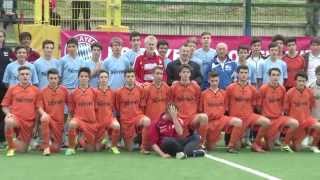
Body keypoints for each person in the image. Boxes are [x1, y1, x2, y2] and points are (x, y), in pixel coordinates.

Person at [226, 65, 271, 152]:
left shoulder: (253, 89)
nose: (243, 75)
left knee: (267, 122)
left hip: (249, 116)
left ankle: (256, 144)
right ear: (237, 74)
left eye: (246, 73)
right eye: (241, 73)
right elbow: (226, 106)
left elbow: (255, 105)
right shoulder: (230, 88)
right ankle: (232, 144)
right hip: (237, 119)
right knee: (237, 147)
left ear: (248, 74)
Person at [200, 71, 242, 153]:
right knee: (211, 148)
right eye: (212, 81)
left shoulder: (224, 93)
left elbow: (226, 109)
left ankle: (231, 146)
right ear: (208, 81)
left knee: (238, 122)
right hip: (210, 122)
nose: (214, 83)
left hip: (221, 119)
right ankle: (203, 143)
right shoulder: (203, 94)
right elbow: (201, 110)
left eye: (216, 81)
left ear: (219, 80)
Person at [1, 66, 40, 156]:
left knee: (21, 150)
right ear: (18, 76)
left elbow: (38, 110)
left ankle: (16, 141)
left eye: (27, 74)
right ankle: (11, 147)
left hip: (28, 123)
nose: (25, 76)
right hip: (16, 119)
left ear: (30, 76)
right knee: (9, 121)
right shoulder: (12, 89)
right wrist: (8, 114)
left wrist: (36, 126)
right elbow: (4, 106)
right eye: (22, 74)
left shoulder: (36, 90)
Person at [258, 67, 299, 152]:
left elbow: (283, 105)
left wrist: (280, 115)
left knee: (294, 123)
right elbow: (259, 106)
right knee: (269, 148)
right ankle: (261, 140)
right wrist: (265, 118)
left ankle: (285, 144)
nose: (275, 77)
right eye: (273, 75)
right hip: (268, 119)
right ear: (269, 76)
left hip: (279, 118)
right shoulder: (263, 89)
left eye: (277, 75)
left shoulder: (282, 89)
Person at [170, 64, 208, 147]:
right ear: (179, 74)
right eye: (183, 72)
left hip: (192, 118)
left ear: (190, 74)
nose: (185, 74)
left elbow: (199, 103)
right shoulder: (173, 87)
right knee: (179, 143)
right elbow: (170, 104)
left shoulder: (196, 87)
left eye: (188, 72)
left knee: (204, 117)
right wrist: (174, 117)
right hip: (179, 118)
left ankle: (201, 143)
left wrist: (197, 115)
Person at [115, 68, 151, 153]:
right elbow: (117, 109)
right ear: (124, 78)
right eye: (128, 76)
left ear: (135, 78)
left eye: (132, 76)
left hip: (137, 117)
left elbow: (142, 106)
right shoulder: (118, 92)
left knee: (147, 121)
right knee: (130, 149)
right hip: (126, 120)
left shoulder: (140, 90)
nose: (130, 78)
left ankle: (143, 147)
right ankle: (124, 141)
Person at [285, 71, 320, 153]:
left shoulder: (309, 92)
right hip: (295, 123)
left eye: (303, 81)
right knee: (298, 149)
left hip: (307, 121)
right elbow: (286, 110)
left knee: (319, 126)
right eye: (299, 81)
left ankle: (313, 145)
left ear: (306, 82)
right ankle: (286, 144)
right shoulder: (289, 93)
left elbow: (311, 106)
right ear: (295, 81)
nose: (301, 83)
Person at [65, 67, 97, 155]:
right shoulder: (73, 93)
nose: (83, 78)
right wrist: (69, 119)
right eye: (81, 76)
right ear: (78, 77)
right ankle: (71, 147)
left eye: (86, 76)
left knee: (90, 150)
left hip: (91, 122)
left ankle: (80, 139)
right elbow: (71, 110)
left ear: (89, 78)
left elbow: (97, 109)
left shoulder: (95, 92)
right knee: (72, 124)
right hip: (78, 119)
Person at [37, 68, 68, 155]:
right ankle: (46, 146)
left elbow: (70, 105)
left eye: (55, 78)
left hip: (59, 123)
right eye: (51, 78)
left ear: (58, 79)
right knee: (44, 119)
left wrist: (72, 116)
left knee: (55, 149)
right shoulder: (42, 91)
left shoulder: (64, 90)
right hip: (48, 120)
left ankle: (44, 143)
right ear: (47, 78)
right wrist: (44, 114)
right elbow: (39, 107)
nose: (53, 80)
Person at [143, 66, 170, 149]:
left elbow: (169, 104)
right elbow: (143, 105)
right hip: (150, 120)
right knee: (148, 147)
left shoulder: (167, 88)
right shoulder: (147, 89)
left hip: (162, 120)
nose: (159, 76)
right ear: (153, 75)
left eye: (161, 74)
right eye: (157, 73)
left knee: (163, 146)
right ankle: (143, 147)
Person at [94, 70, 120, 154]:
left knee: (116, 126)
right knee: (97, 149)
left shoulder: (113, 93)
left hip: (109, 119)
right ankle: (105, 140)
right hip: (98, 121)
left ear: (108, 79)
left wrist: (114, 118)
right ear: (98, 79)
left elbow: (114, 108)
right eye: (101, 77)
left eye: (105, 77)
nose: (103, 79)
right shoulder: (94, 92)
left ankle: (113, 146)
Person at [0, 30, 11, 147]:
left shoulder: (8, 51)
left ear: (4, 38)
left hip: (3, 87)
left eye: (1, 36)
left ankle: (2, 139)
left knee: (3, 113)